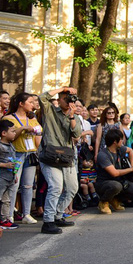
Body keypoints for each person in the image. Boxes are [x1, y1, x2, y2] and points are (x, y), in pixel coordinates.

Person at [38, 87, 82, 234]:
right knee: (56, 186)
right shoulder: (50, 111)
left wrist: (71, 116)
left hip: (66, 156)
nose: (68, 101)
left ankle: (57, 215)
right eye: (65, 98)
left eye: (71, 99)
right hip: (50, 155)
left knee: (72, 188)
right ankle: (48, 221)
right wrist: (62, 88)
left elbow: (76, 134)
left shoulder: (73, 116)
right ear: (59, 99)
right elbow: (42, 98)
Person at [3, 92, 42, 224]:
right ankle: (9, 215)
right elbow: (11, 136)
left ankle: (26, 213)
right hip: (16, 154)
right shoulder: (9, 118)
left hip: (30, 154)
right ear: (21, 103)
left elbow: (39, 133)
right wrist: (23, 128)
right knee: (14, 184)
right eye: (30, 102)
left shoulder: (32, 118)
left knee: (28, 185)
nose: (33, 105)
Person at [95, 129, 133, 214]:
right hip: (104, 183)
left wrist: (132, 165)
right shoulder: (103, 155)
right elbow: (114, 173)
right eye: (121, 139)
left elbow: (130, 151)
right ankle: (103, 202)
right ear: (114, 142)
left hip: (119, 180)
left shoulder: (119, 149)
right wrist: (132, 169)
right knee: (116, 186)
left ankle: (115, 200)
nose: (123, 141)